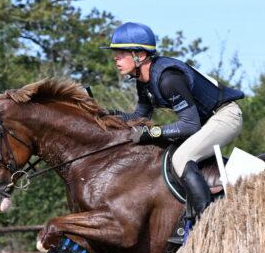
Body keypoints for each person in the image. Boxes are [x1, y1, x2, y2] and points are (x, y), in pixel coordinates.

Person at [103, 22, 244, 235]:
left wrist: (151, 133)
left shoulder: (168, 78)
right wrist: (105, 114)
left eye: (121, 53)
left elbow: (189, 125)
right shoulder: (144, 81)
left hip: (225, 117)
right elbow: (139, 117)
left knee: (181, 158)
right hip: (208, 121)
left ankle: (206, 224)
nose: (115, 58)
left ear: (139, 55)